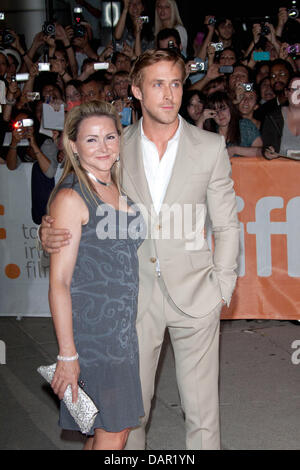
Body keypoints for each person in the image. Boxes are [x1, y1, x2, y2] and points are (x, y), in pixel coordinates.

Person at [40, 48, 240, 450]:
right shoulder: (116, 148)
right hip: (133, 301)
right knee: (130, 414)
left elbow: (226, 222)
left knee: (203, 413)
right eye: (157, 84)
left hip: (197, 293)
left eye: (176, 83)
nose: (169, 94)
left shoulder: (209, 147)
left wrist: (223, 285)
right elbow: (81, 201)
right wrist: (50, 231)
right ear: (136, 91)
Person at [47, 100, 145, 450]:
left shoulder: (116, 187)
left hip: (121, 334)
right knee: (115, 432)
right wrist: (68, 355)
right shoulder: (73, 197)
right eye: (91, 140)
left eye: (109, 137)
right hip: (95, 338)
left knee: (105, 429)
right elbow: (58, 282)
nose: (103, 147)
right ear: (72, 145)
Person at [203, 91, 263, 157]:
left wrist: (235, 150)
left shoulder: (245, 125)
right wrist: (201, 119)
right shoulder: (210, 133)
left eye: (223, 109)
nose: (220, 114)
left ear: (230, 108)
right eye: (215, 112)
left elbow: (262, 152)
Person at [262, 74, 300, 160]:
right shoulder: (273, 117)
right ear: (286, 92)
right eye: (294, 89)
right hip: (281, 171)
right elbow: (267, 146)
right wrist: (268, 152)